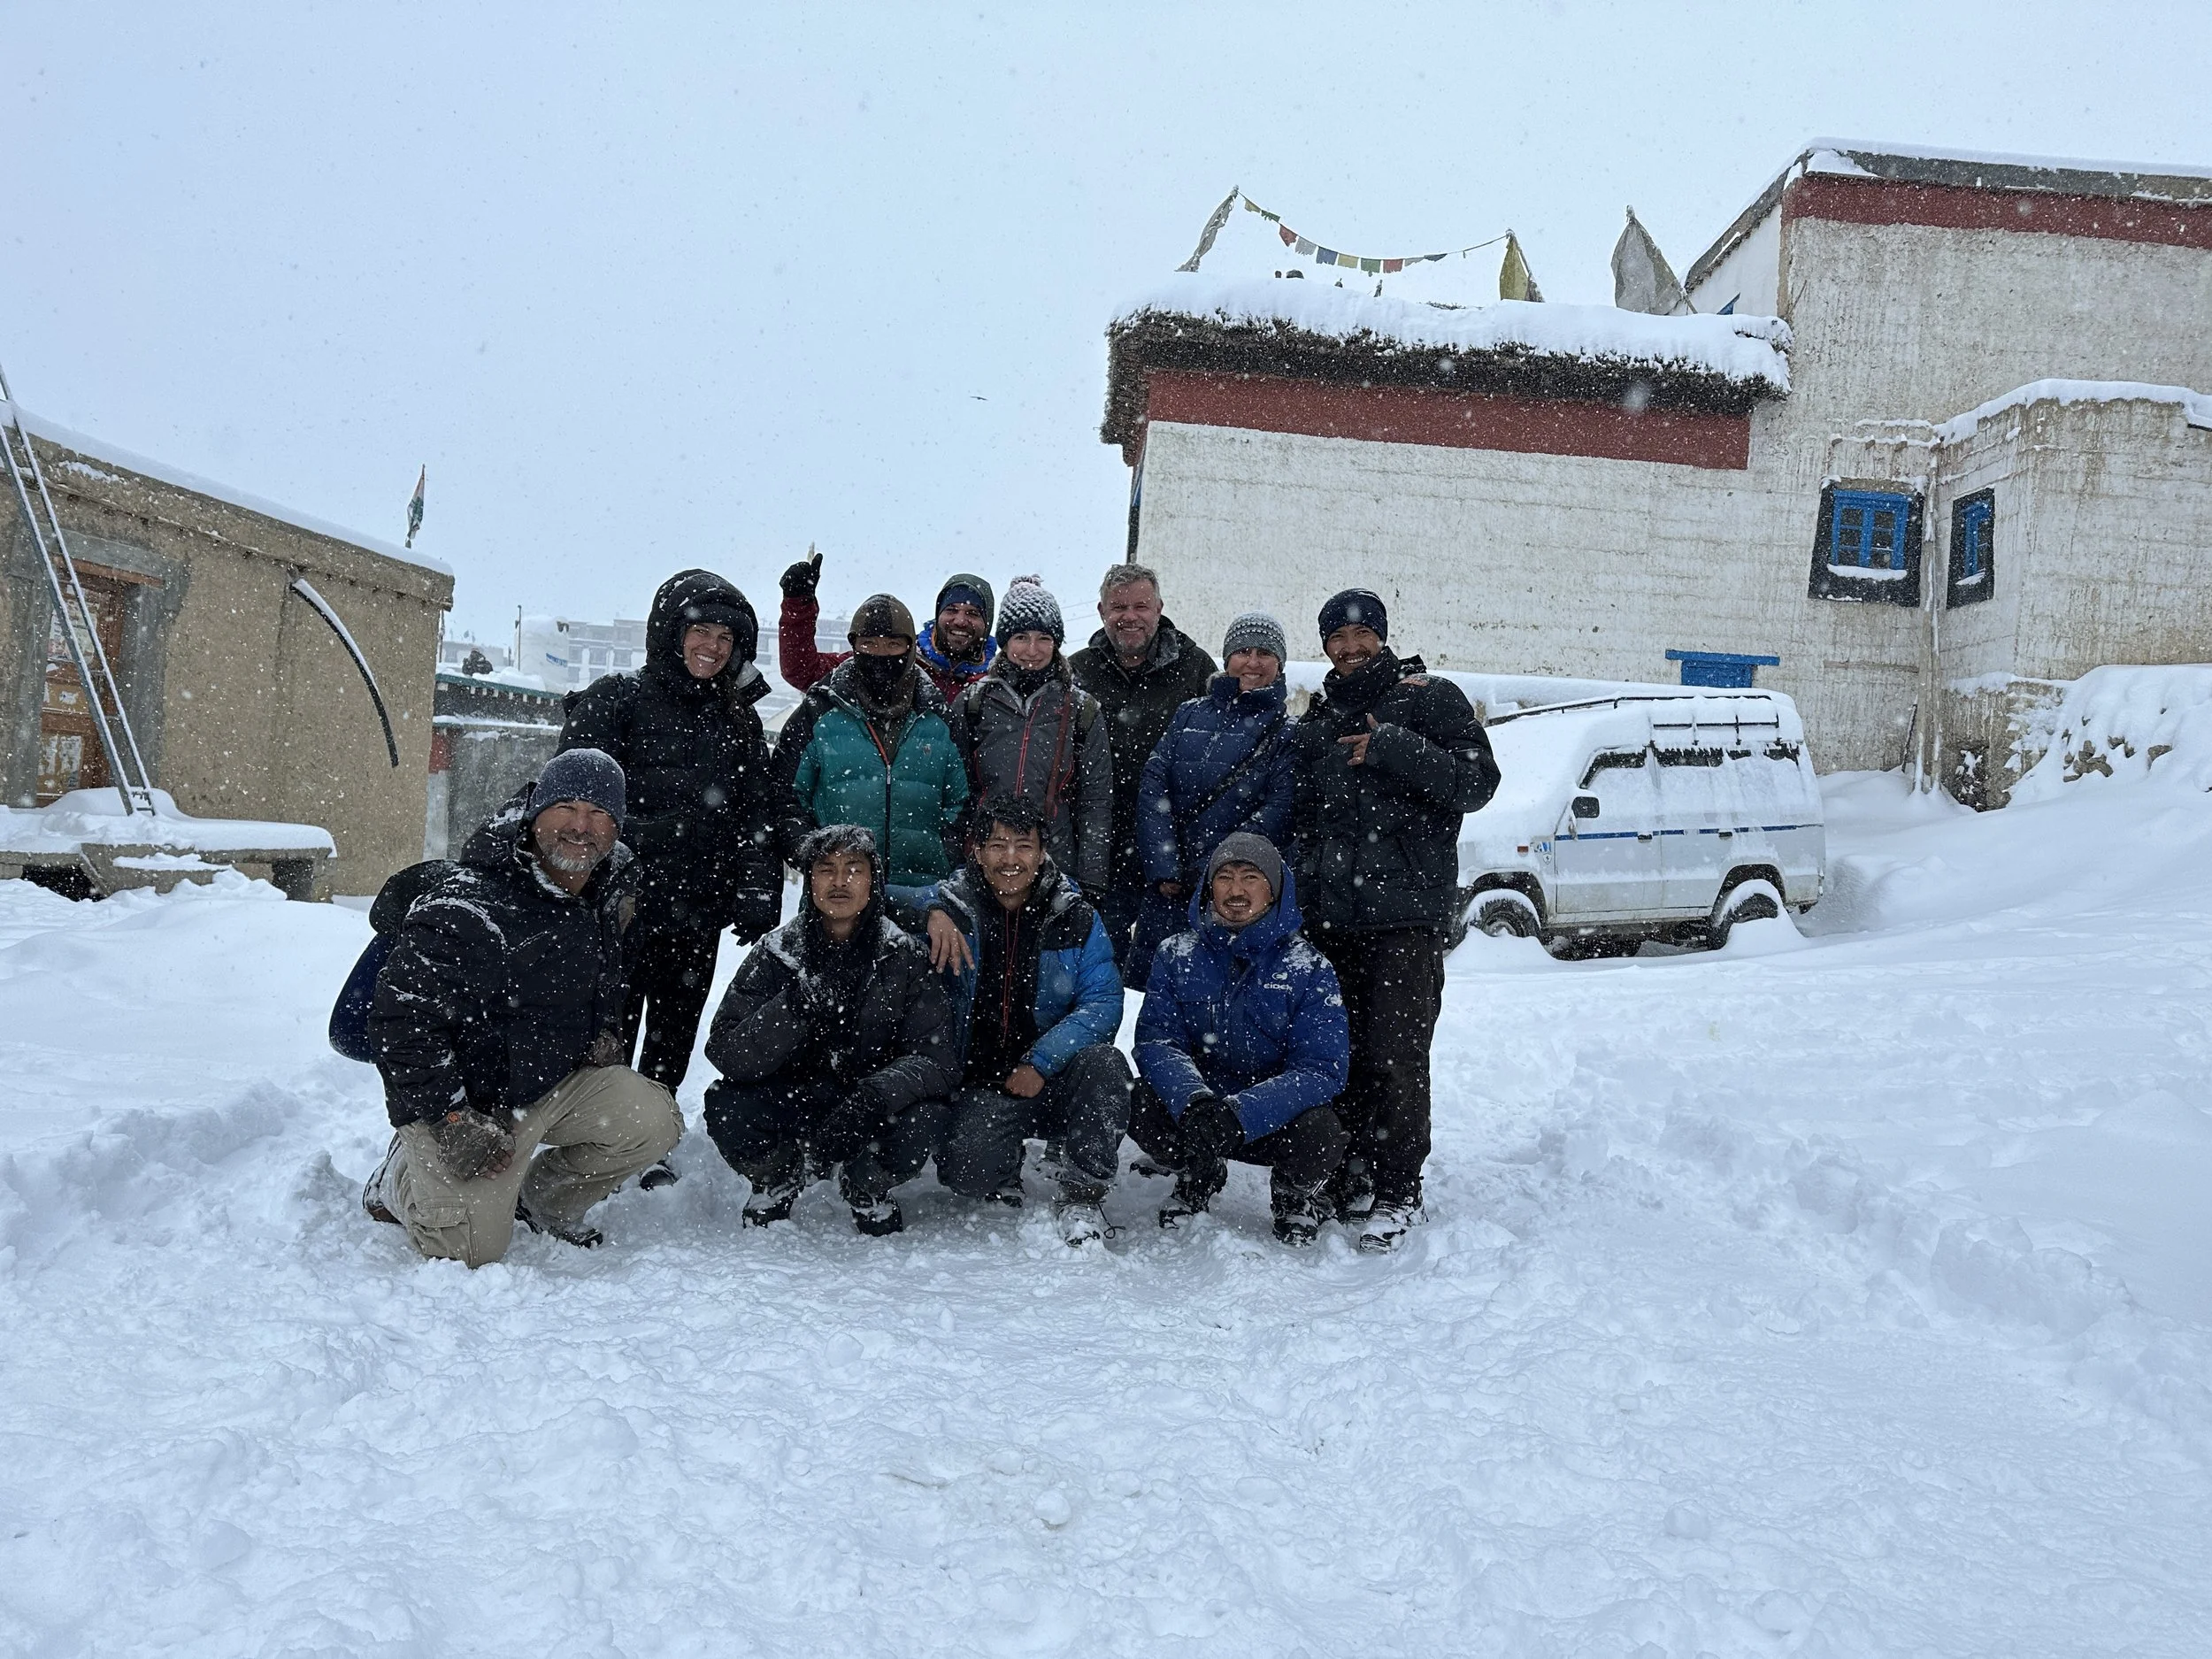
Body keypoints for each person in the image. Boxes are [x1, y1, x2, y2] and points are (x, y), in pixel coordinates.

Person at [361, 749, 683, 1266]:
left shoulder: (606, 890)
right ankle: (398, 1178)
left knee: (653, 1119)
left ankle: (541, 1202)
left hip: (542, 1084)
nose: (581, 826)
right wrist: (450, 1117)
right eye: (566, 807)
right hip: (469, 1103)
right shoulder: (471, 904)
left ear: (616, 827)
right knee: (466, 1250)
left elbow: (600, 977)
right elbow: (400, 1022)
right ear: (535, 815)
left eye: (599, 812)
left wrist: (602, 1030)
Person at [557, 570, 794, 1193]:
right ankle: (597, 1134)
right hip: (616, 905)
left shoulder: (738, 720)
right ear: (672, 632)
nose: (711, 646)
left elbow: (757, 812)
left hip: (696, 904)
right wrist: (644, 841)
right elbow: (568, 802)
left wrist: (758, 884)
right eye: (700, 630)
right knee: (607, 1023)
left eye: (724, 637)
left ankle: (653, 1135)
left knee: (674, 1024)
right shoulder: (616, 700)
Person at [1292, 588, 1501, 1252]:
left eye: (1362, 636)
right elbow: (1304, 816)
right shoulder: (1321, 716)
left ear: (1381, 637)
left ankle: (1398, 1186)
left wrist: (1393, 746)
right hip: (1331, 921)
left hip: (1404, 920)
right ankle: (1350, 1170)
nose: (1350, 648)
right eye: (1337, 638)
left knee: (1397, 1056)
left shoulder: (1430, 698)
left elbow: (1478, 782)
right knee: (1340, 1054)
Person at [700, 825, 956, 1236]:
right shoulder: (777, 952)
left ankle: (865, 1184)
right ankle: (778, 1176)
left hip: (871, 1102)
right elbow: (726, 1050)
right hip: (794, 1095)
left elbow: (936, 1059)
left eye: (854, 869)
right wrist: (793, 1007)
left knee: (926, 1118)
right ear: (810, 881)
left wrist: (874, 1097)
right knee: (726, 1104)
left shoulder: (904, 955)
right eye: (826, 869)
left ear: (873, 881)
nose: (840, 881)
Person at [924, 796, 1131, 1247]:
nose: (1011, 858)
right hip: (982, 1081)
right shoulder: (954, 905)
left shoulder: (1075, 915)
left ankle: (1083, 1193)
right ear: (977, 851)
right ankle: (1003, 1164)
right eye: (998, 845)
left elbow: (1102, 1003)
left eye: (1024, 845)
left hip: (1055, 1075)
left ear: (1042, 853)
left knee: (1106, 1065)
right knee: (967, 1176)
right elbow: (879, 897)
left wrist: (1040, 1062)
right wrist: (931, 911)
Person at [1132, 833, 1349, 1246]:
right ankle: (1197, 1171)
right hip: (1200, 1114)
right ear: (1208, 887)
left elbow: (1322, 1069)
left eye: (1250, 878)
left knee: (1322, 1131)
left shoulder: (1309, 967)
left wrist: (1243, 1114)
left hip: (1270, 1117)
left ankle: (1292, 1193)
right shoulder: (1175, 954)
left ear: (1274, 889)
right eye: (1224, 877)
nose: (1236, 891)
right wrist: (1194, 1102)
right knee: (1139, 1101)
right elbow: (1157, 1041)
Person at [774, 593, 970, 922]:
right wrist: (816, 857)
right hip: (835, 904)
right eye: (869, 644)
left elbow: (963, 803)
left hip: (923, 901)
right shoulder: (819, 712)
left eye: (893, 645)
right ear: (854, 645)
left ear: (910, 648)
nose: (881, 655)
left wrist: (941, 854)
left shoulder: (939, 718)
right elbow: (786, 797)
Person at [1129, 611, 1297, 987]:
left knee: (1223, 995)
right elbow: (1154, 785)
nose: (1252, 662)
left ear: (1280, 665)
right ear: (1226, 658)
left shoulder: (1287, 732)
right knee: (1155, 993)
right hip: (1169, 891)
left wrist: (1216, 872)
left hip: (1234, 895)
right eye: (1243, 651)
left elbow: (1278, 810)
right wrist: (1165, 864)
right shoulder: (1188, 714)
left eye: (1264, 653)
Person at [1067, 563, 1217, 967]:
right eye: (1119, 607)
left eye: (1140, 606)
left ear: (1159, 609)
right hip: (1097, 851)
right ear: (1102, 611)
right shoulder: (1078, 671)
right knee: (1099, 966)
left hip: (1174, 855)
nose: (1129, 617)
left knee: (1167, 971)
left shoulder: (1195, 668)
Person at [945, 576, 1112, 900]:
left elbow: (1096, 803)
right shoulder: (973, 704)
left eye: (1043, 638)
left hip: (1055, 867)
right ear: (1004, 642)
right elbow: (953, 795)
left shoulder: (1081, 710)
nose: (1032, 650)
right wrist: (953, 860)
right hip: (983, 864)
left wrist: (1092, 880)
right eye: (1021, 637)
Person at [778, 549, 997, 703]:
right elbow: (802, 671)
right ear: (938, 614)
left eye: (973, 613)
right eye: (951, 610)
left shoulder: (996, 683)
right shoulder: (898, 657)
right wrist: (798, 605)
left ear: (987, 624)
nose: (960, 620)